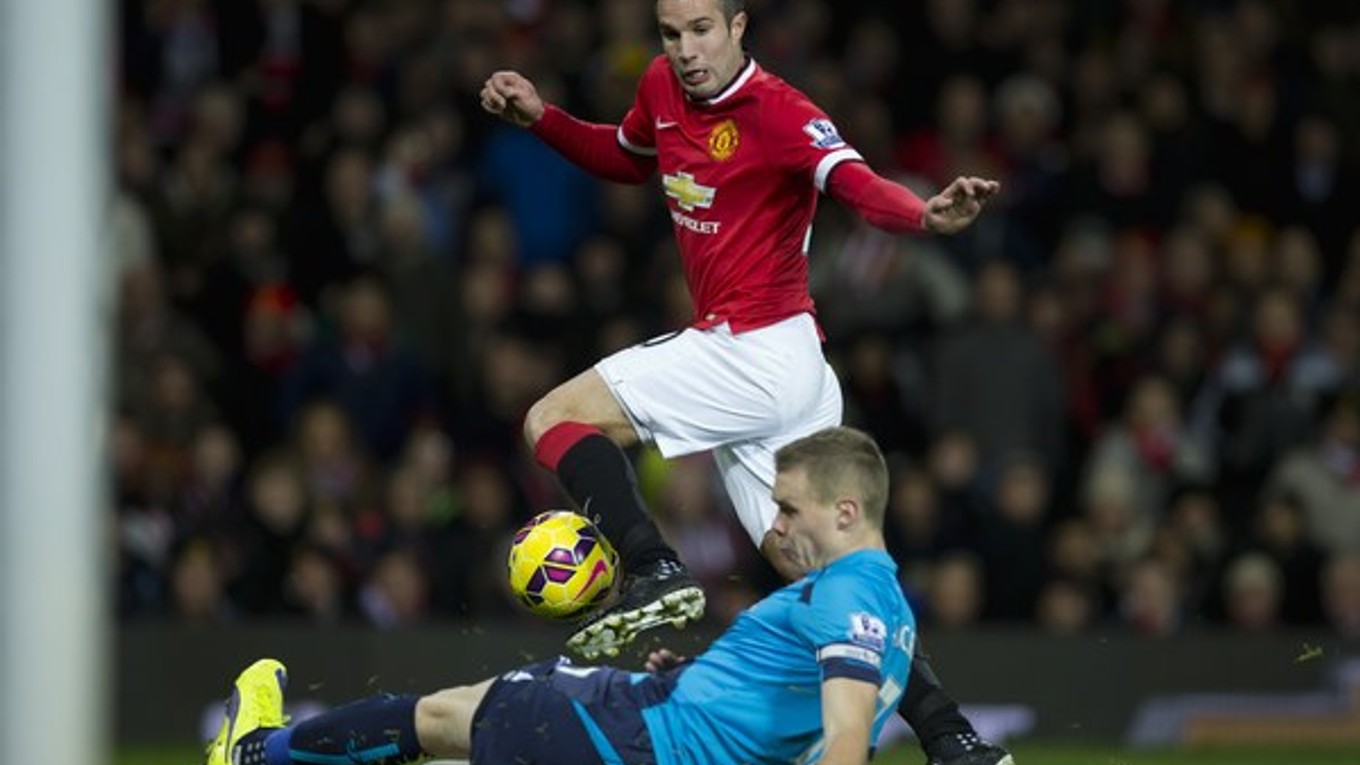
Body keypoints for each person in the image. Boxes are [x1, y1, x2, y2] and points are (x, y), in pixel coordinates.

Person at [480, 2, 1008, 764]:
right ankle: (954, 737)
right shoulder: (662, 89)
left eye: (702, 30)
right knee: (822, 573)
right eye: (671, 34)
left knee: (554, 418)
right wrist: (543, 118)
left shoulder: (781, 111)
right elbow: (629, 156)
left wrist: (923, 215)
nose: (687, 51)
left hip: (755, 346)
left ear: (737, 26)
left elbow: (854, 183)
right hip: (785, 369)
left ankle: (653, 565)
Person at [207, 427, 916, 765]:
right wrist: (700, 679)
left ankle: (256, 752)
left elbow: (846, 740)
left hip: (636, 738)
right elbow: (807, 725)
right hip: (651, 718)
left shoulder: (844, 591)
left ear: (846, 512)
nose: (778, 524)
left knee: (447, 716)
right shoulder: (893, 615)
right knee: (456, 725)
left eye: (791, 509)